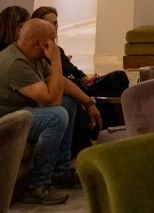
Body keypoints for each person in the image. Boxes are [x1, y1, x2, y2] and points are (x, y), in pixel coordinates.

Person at [0, 18, 102, 205]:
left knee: (69, 102)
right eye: (52, 40)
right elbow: (53, 100)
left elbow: (60, 82)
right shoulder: (16, 63)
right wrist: (55, 59)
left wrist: (89, 103)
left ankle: (60, 171)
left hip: (23, 113)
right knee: (56, 115)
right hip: (8, 121)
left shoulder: (33, 57)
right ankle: (38, 185)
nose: (55, 45)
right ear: (40, 44)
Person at [31, 6, 129, 151]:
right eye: (49, 24)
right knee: (76, 92)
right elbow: (57, 80)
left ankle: (112, 131)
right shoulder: (41, 52)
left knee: (118, 77)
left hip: (81, 86)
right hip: (70, 89)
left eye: (55, 23)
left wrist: (91, 80)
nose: (54, 27)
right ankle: (100, 130)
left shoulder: (58, 50)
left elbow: (77, 73)